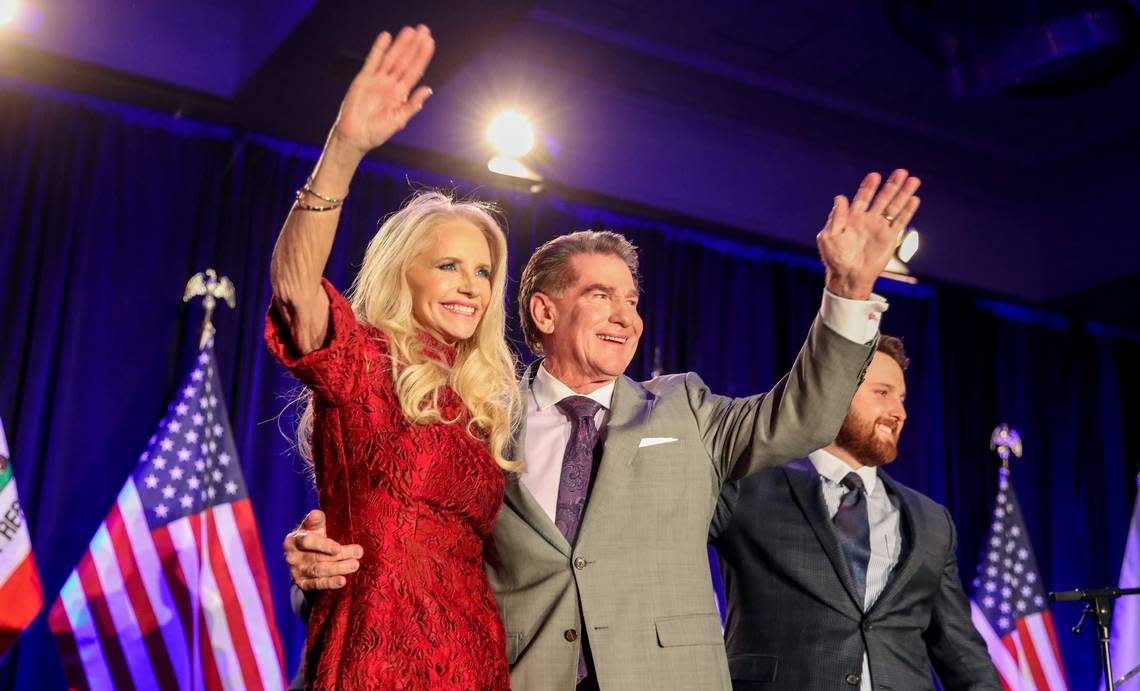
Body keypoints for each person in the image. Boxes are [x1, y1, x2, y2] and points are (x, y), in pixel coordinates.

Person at [286, 129, 924, 690]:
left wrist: (846, 292)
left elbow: (804, 416)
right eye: (601, 295)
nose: (627, 315)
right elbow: (416, 538)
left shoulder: (689, 412)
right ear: (544, 311)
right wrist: (315, 568)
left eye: (632, 299)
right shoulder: (478, 420)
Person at [266, 25, 519, 689]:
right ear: (403, 271)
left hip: (475, 659)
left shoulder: (480, 404)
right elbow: (295, 288)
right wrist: (345, 148)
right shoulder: (363, 364)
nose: (470, 284)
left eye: (483, 271)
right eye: (448, 264)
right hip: (376, 659)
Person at [710, 336, 1001, 690]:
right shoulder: (749, 485)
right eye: (883, 393)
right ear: (834, 391)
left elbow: (963, 656)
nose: (900, 412)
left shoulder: (932, 522)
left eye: (902, 399)